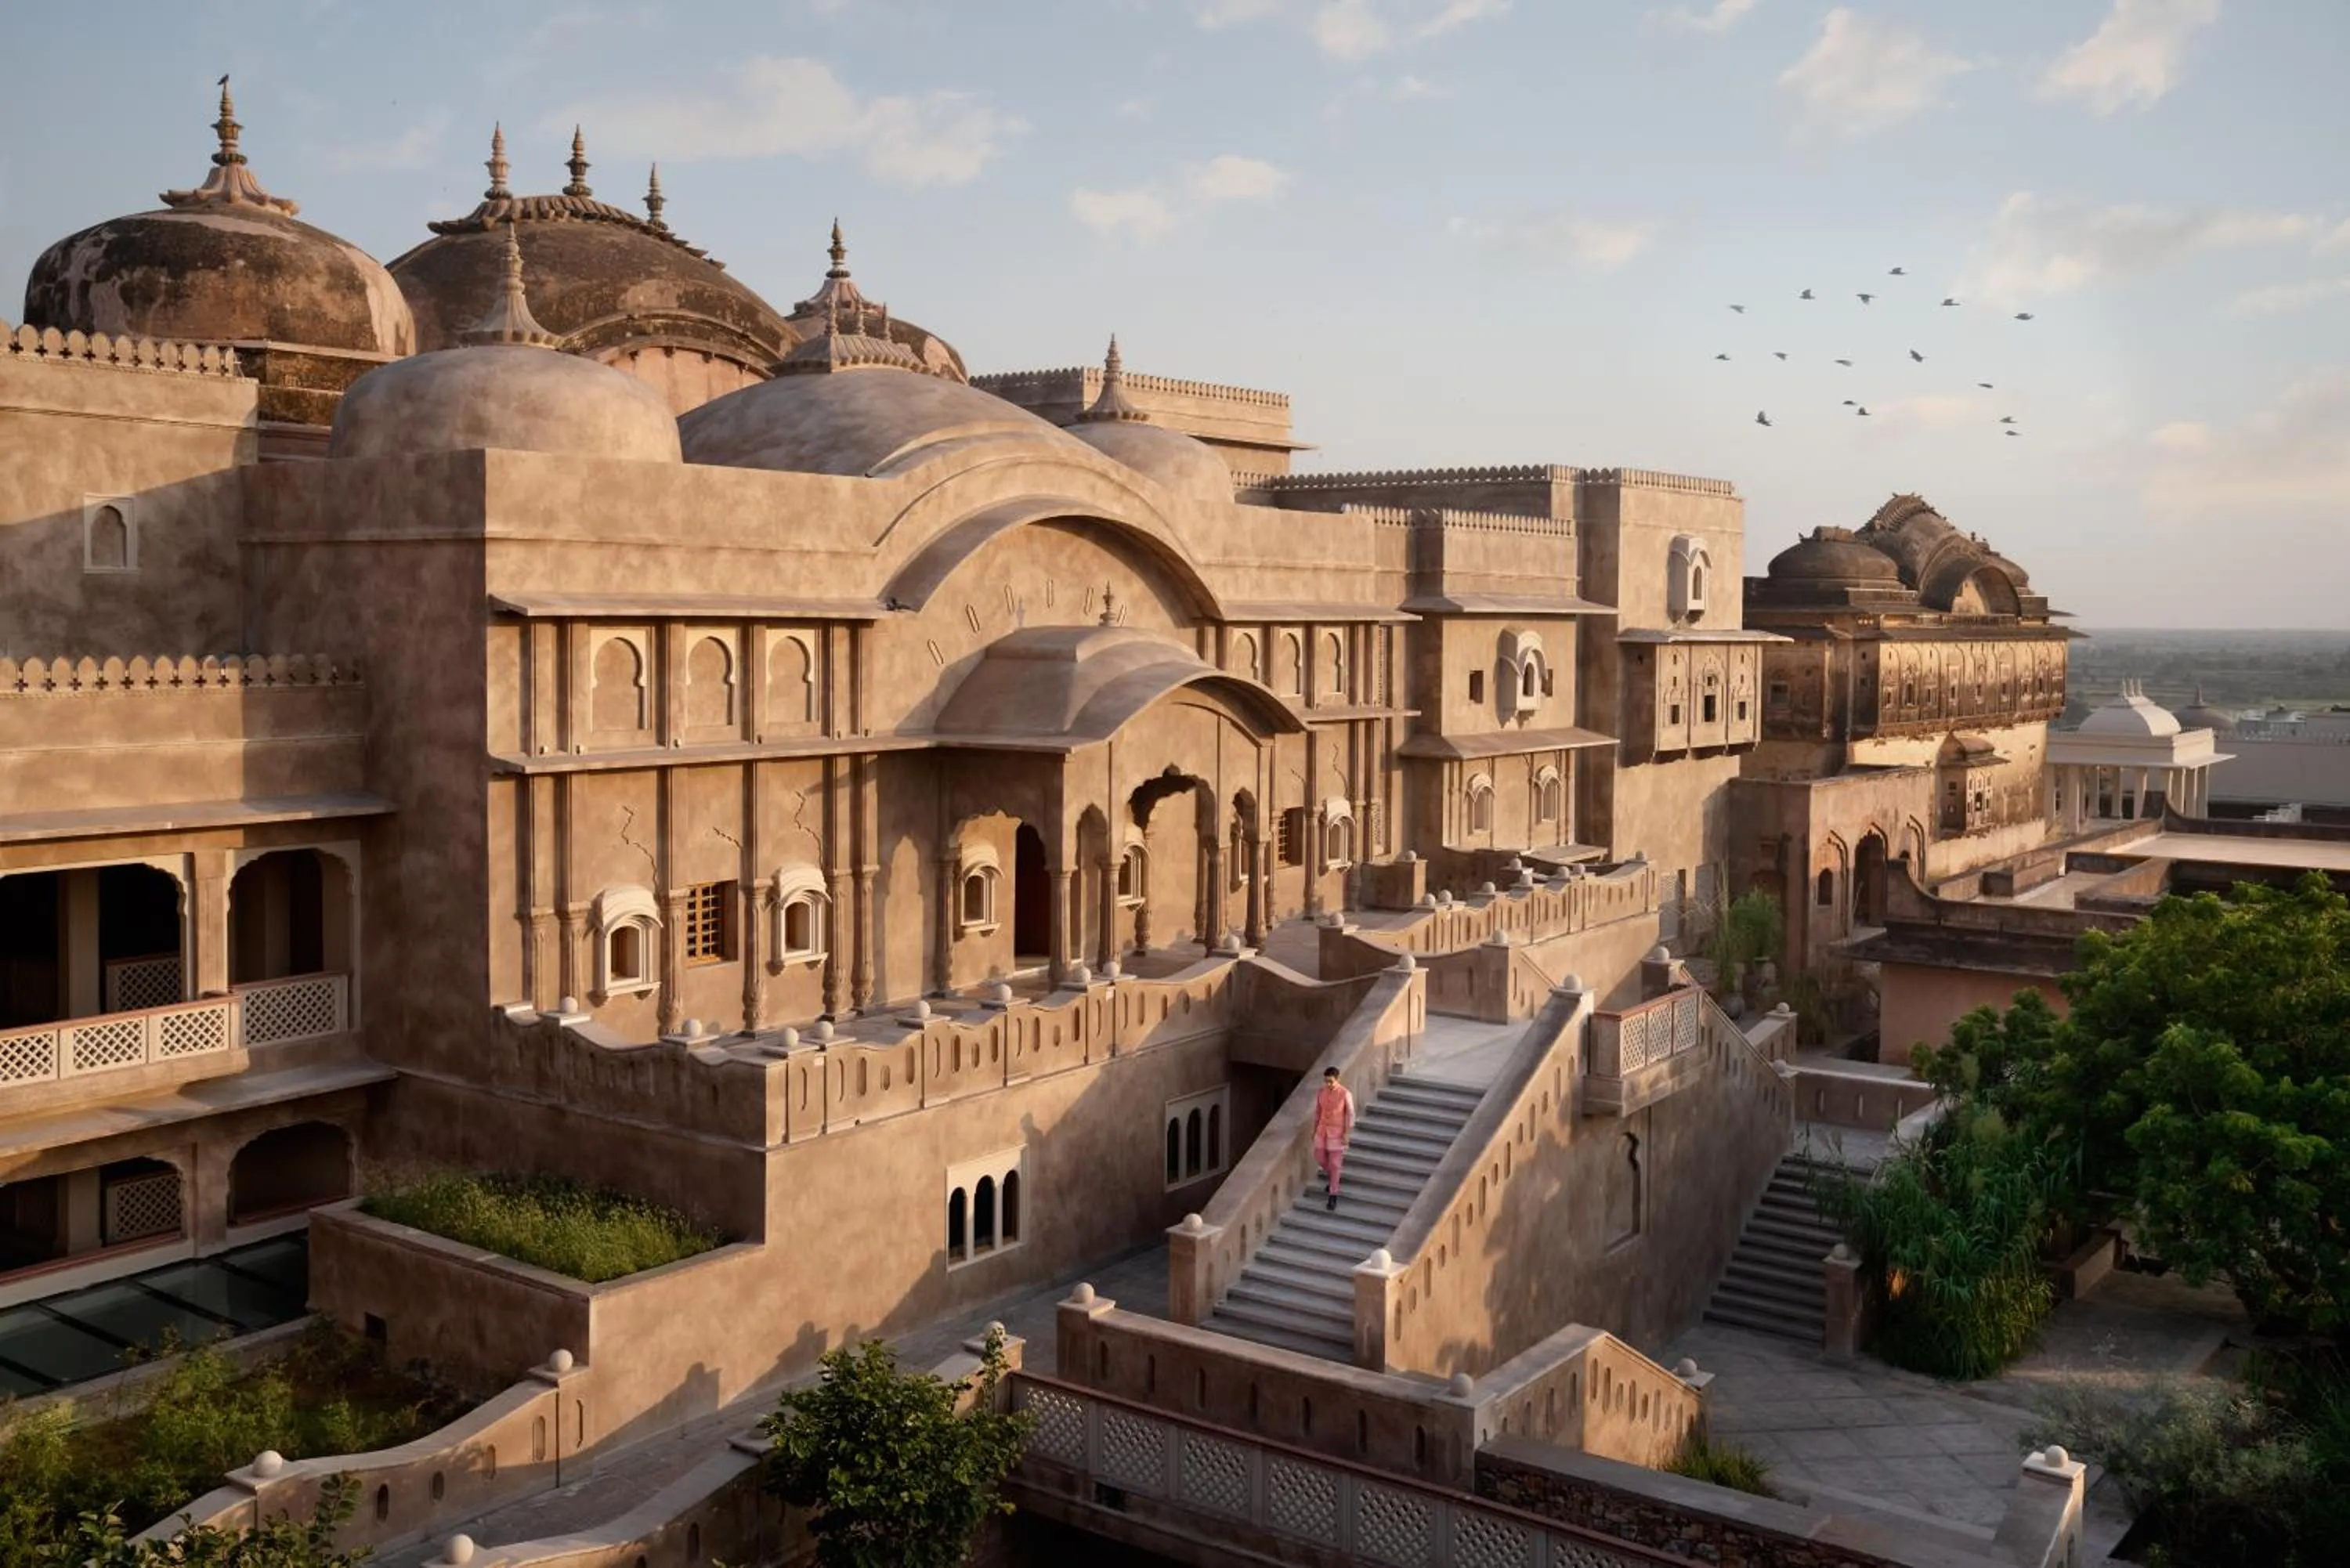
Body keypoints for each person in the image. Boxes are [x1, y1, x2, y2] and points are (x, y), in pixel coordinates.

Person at [1313, 1066, 1355, 1211]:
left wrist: (1347, 1133)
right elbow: (1318, 1112)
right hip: (1322, 1131)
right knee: (1320, 1157)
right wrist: (1314, 1130)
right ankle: (1334, 1179)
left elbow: (1350, 1114)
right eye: (1326, 1081)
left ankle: (1333, 1194)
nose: (1328, 1084)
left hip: (1337, 1133)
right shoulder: (1321, 1092)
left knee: (1335, 1164)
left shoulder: (1345, 1094)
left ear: (1337, 1079)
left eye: (1331, 1081)